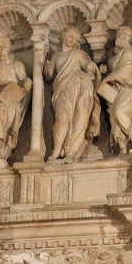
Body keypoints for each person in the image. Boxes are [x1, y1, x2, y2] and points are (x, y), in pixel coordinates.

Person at [45, 26, 101, 162]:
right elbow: (49, 76)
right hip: (63, 89)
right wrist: (46, 67)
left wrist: (91, 66)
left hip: (80, 86)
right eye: (70, 36)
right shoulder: (56, 56)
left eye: (75, 39)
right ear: (63, 35)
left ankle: (72, 152)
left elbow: (86, 64)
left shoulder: (77, 53)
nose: (72, 40)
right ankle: (57, 150)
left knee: (80, 118)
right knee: (61, 119)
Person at [0, 33, 31, 163]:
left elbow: (24, 79)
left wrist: (26, 82)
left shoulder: (17, 65)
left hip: (10, 99)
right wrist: (7, 83)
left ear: (8, 49)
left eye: (2, 48)